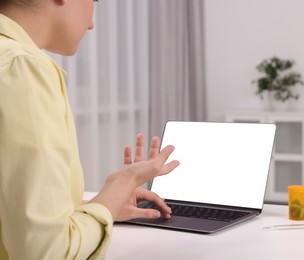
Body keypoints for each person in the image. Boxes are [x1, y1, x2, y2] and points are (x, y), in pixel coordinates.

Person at [0, 0, 180, 259]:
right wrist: (124, 181)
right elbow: (49, 252)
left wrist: (105, 205)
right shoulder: (23, 68)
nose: (92, 23)